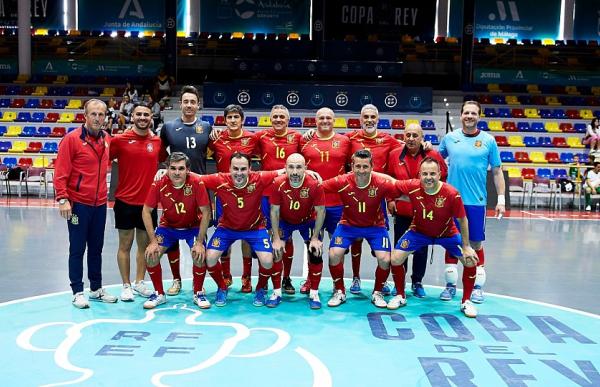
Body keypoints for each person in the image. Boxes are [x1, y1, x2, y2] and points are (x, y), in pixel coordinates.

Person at [386, 157, 479, 318]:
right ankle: (400, 295)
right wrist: (371, 173)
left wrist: (466, 246)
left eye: (432, 174)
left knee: (470, 260)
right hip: (418, 232)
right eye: (425, 174)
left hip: (447, 234)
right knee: (395, 258)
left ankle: (466, 301)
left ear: (440, 174)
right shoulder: (413, 186)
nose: (428, 177)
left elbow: (463, 219)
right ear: (419, 175)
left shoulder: (451, 193)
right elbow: (391, 182)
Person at [438, 100, 505, 304]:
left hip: (476, 202)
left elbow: (496, 171)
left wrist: (501, 199)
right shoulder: (450, 139)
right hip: (451, 202)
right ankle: (450, 286)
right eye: (466, 112)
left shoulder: (489, 141)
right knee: (452, 242)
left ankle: (477, 287)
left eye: (473, 113)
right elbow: (434, 161)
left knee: (475, 243)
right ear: (461, 115)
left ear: (479, 116)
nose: (469, 116)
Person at [54, 99, 117, 308]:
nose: (98, 118)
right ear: (85, 116)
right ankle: (77, 290)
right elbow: (60, 173)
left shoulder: (107, 139)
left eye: (101, 114)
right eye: (94, 114)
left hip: (99, 204)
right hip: (78, 204)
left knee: (96, 248)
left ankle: (96, 288)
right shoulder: (71, 140)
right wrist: (63, 199)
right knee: (77, 248)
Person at [200, 152, 284, 307]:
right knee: (210, 258)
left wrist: (308, 172)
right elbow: (193, 177)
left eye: (243, 169)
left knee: (267, 260)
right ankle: (222, 287)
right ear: (229, 168)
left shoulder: (259, 178)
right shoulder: (219, 179)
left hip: (255, 228)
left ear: (250, 169)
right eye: (235, 169)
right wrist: (164, 171)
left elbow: (287, 171)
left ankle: (260, 289)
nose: (239, 173)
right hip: (227, 228)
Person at [321, 149, 399, 308]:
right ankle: (339, 291)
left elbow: (405, 189)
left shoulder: (381, 182)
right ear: (352, 166)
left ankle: (377, 292)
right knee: (334, 254)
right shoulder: (342, 181)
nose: (361, 170)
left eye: (365, 166)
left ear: (372, 167)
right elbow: (317, 188)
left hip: (375, 226)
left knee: (385, 258)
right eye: (358, 166)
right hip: (348, 225)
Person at [158, 85, 213, 296]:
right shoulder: (169, 127)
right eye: (186, 101)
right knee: (172, 232)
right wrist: (166, 172)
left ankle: (199, 288)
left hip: (199, 189)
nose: (189, 105)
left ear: (198, 105)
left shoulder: (207, 127)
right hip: (175, 188)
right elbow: (161, 153)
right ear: (180, 104)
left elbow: (218, 149)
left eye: (193, 102)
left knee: (200, 238)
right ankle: (176, 280)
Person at [141, 152, 215, 309]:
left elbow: (206, 212)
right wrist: (153, 241)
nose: (176, 172)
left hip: (192, 227)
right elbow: (146, 211)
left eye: (181, 168)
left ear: (188, 170)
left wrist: (200, 242)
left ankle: (198, 293)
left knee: (199, 253)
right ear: (167, 169)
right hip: (168, 227)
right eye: (173, 168)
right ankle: (159, 293)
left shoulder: (196, 182)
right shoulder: (159, 183)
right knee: (150, 254)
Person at [345, 104, 402, 294]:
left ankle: (383, 281)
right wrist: (311, 132)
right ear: (360, 120)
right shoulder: (350, 138)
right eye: (365, 117)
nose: (369, 120)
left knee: (380, 240)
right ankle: (355, 278)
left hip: (378, 198)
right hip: (355, 195)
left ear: (378, 119)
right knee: (356, 239)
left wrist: (426, 145)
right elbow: (329, 141)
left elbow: (409, 148)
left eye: (372, 117)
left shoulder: (388, 140)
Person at [387, 122, 447, 298]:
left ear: (422, 138)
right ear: (403, 136)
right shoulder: (394, 155)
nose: (411, 139)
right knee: (401, 247)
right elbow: (388, 180)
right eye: (408, 135)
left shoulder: (433, 155)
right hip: (402, 211)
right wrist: (390, 199)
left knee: (421, 249)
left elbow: (444, 177)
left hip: (425, 212)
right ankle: (400, 282)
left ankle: (417, 282)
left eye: (415, 135)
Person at [109, 103, 162, 302]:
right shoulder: (120, 140)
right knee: (125, 245)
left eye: (146, 114)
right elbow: (102, 158)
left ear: (151, 117)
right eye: (138, 114)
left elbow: (164, 161)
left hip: (148, 204)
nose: (142, 117)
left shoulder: (157, 142)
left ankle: (140, 282)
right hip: (124, 201)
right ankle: (126, 285)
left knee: (145, 246)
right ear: (132, 116)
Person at [299, 107, 351, 294]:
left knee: (337, 245)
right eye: (321, 118)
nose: (325, 121)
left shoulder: (345, 141)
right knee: (313, 243)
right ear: (315, 120)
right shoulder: (304, 141)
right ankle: (311, 283)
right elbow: (294, 165)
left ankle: (339, 286)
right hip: (313, 204)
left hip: (338, 203)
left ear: (334, 120)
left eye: (328, 118)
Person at [208, 104, 259, 292]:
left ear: (242, 120)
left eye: (236, 117)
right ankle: (226, 276)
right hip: (223, 195)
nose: (233, 120)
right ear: (224, 120)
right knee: (225, 235)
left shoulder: (252, 138)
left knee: (247, 236)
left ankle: (246, 278)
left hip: (248, 195)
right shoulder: (216, 139)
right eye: (229, 117)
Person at [255, 105, 302, 293]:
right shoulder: (261, 136)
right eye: (275, 116)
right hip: (266, 194)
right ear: (270, 119)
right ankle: (266, 278)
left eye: (282, 116)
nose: (278, 119)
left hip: (289, 194)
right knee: (267, 238)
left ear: (288, 120)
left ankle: (286, 278)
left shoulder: (298, 137)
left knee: (286, 238)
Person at [270, 153, 326, 308]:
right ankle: (276, 292)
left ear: (305, 169)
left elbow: (321, 211)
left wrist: (315, 237)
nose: (294, 172)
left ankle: (314, 294)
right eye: (291, 167)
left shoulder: (315, 184)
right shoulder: (277, 183)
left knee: (316, 251)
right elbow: (274, 211)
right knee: (276, 251)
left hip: (307, 221)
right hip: (284, 221)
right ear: (285, 168)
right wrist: (276, 238)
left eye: (299, 167)